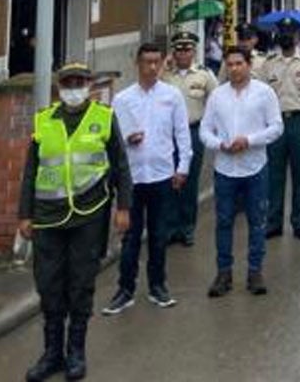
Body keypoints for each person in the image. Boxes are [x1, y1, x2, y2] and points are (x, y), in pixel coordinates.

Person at [19, 63, 132, 382]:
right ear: (59, 87)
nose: (74, 89)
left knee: (80, 285)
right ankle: (51, 353)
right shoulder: (44, 120)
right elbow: (31, 170)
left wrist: (124, 207)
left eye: (79, 82)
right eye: (68, 83)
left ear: (89, 85)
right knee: (49, 285)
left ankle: (76, 352)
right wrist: (24, 214)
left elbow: (121, 166)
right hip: (47, 216)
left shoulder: (104, 117)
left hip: (89, 214)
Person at [104, 43, 191, 314]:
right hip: (132, 177)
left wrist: (183, 167)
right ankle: (125, 289)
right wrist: (127, 140)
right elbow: (112, 140)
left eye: (157, 62)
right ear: (137, 64)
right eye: (147, 62)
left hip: (162, 175)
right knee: (130, 237)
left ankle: (158, 286)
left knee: (158, 234)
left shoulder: (172, 96)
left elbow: (182, 133)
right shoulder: (122, 99)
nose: (152, 67)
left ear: (163, 63)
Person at [199, 45, 283, 297]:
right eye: (230, 64)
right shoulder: (217, 95)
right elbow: (205, 130)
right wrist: (219, 144)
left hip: (254, 167)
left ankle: (255, 271)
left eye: (239, 63)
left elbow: (276, 127)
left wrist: (250, 140)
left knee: (257, 221)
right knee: (224, 221)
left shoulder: (264, 93)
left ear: (249, 64)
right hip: (225, 168)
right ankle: (223, 273)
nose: (234, 69)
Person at [258, 20, 300, 239]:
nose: (287, 36)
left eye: (291, 32)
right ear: (277, 35)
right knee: (274, 174)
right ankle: (273, 222)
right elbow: (260, 95)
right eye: (283, 32)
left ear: (298, 36)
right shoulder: (268, 64)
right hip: (275, 121)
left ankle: (299, 222)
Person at [161, 31, 216, 247]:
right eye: (179, 49)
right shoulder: (166, 76)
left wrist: (209, 126)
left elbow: (216, 100)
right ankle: (169, 226)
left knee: (189, 181)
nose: (183, 53)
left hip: (193, 132)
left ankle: (187, 228)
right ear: (173, 52)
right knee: (168, 180)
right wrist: (164, 66)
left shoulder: (204, 75)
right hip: (168, 134)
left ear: (194, 51)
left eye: (187, 49)